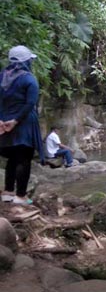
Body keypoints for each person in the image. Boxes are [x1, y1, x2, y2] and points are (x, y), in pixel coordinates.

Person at [0, 45, 44, 205]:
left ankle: (7, 192)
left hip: (4, 124)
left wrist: (1, 120)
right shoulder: (28, 78)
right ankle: (20, 196)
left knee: (12, 158)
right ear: (26, 61)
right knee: (24, 158)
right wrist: (16, 120)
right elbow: (30, 103)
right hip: (23, 123)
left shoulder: (1, 76)